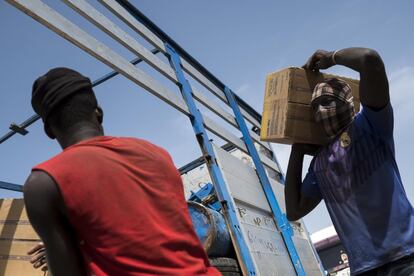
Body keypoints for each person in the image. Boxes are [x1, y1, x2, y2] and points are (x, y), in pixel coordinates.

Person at [23, 68, 220, 276]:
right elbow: (152, 233)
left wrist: (62, 250)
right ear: (98, 113)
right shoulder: (157, 154)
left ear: (49, 131)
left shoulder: (43, 183)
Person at [285, 48, 414, 275]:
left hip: (407, 257)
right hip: (364, 270)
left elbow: (370, 60)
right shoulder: (320, 164)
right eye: (315, 107)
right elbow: (294, 211)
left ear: (349, 104)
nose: (321, 111)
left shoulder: (372, 126)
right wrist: (297, 150)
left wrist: (332, 58)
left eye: (327, 102)